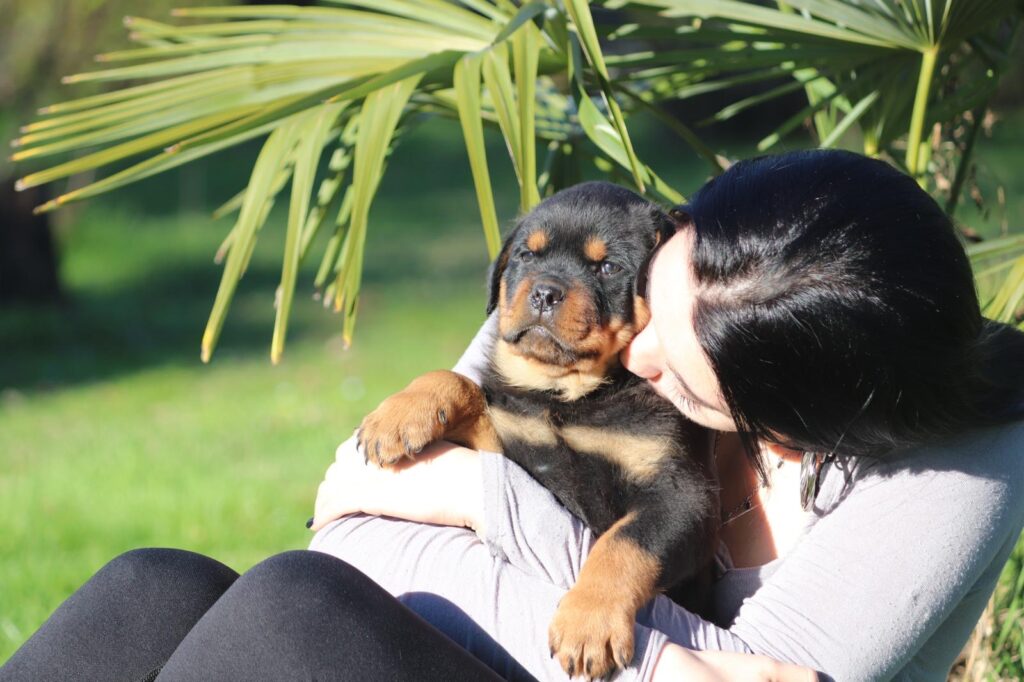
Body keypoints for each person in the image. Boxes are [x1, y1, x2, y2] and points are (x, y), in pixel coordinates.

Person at [3, 150, 1022, 681]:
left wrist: (467, 495)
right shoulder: (708, 277)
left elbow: (761, 677)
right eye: (650, 297)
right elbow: (354, 525)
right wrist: (470, 486)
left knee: (295, 614)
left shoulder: (965, 459)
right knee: (154, 584)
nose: (636, 346)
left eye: (681, 358)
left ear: (788, 416)